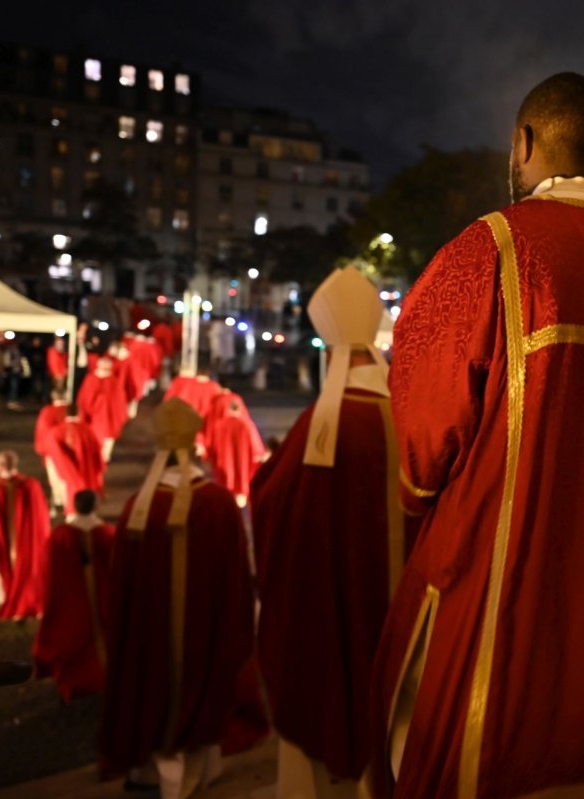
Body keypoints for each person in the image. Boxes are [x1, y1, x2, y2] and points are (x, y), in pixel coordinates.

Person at [367, 72, 584, 797]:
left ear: (524, 143)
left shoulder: (494, 249)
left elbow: (423, 431)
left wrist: (421, 500)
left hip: (492, 582)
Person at [252, 267, 414, 798]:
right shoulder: (413, 413)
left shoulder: (319, 428)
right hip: (408, 621)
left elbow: (277, 507)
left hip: (335, 611)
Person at [99, 398, 255, 798]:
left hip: (151, 639)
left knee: (157, 699)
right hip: (207, 633)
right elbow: (238, 576)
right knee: (201, 701)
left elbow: (120, 585)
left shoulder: (140, 507)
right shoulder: (218, 503)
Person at [32, 489, 116, 701]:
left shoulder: (60, 535)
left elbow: (46, 570)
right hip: (105, 601)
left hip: (69, 603)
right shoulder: (108, 534)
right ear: (96, 506)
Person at [0, 450, 51, 620]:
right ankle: (34, 602)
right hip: (28, 542)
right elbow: (42, 515)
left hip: (3, 541)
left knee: (2, 568)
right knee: (32, 568)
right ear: (15, 465)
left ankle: (6, 600)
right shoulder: (31, 485)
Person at [46, 404, 106, 515]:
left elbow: (53, 453)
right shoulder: (89, 430)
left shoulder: (56, 432)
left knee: (68, 498)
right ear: (79, 414)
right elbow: (98, 450)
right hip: (86, 471)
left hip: (65, 472)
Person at [205, 398, 264, 508]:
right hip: (243, 462)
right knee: (240, 493)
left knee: (226, 490)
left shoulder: (220, 425)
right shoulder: (247, 424)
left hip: (225, 462)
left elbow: (212, 446)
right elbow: (255, 447)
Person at [76, 355, 128, 463]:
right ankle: (103, 459)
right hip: (109, 418)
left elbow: (83, 399)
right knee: (106, 444)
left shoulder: (90, 379)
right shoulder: (114, 381)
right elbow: (120, 401)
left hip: (94, 418)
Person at [35, 393, 71, 515]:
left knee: (54, 477)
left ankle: (58, 500)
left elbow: (42, 430)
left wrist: (43, 449)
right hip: (68, 450)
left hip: (51, 450)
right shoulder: (69, 410)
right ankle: (66, 501)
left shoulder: (46, 412)